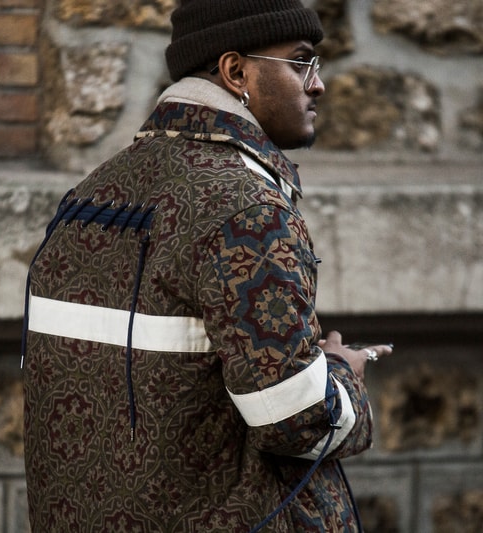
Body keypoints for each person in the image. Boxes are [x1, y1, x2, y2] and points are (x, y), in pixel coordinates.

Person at [21, 1, 393, 531]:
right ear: (236, 71)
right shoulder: (247, 211)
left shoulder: (88, 195)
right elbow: (298, 421)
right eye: (303, 61)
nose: (319, 85)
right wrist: (342, 376)